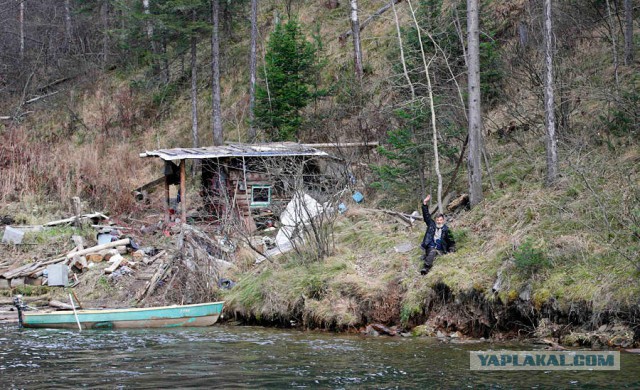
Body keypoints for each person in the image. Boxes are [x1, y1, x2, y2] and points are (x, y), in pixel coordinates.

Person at [420, 194, 456, 275]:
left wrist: (451, 251)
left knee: (434, 252)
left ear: (443, 220)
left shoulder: (447, 230)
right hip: (431, 247)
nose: (439, 221)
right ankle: (425, 268)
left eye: (440, 220)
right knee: (432, 251)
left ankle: (426, 265)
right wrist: (425, 204)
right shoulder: (431, 225)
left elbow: (451, 242)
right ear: (435, 220)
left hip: (441, 250)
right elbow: (426, 216)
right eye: (437, 220)